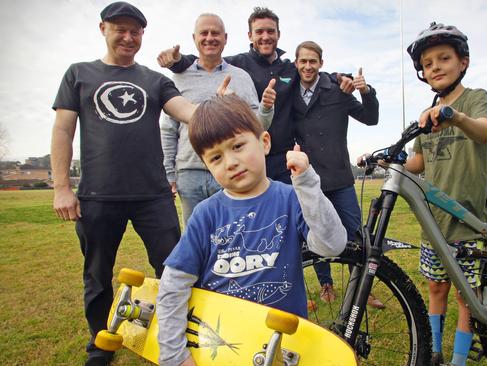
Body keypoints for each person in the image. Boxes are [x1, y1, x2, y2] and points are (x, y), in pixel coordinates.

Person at [50, 2, 203, 365]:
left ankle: (179, 342)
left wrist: (214, 109)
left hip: (153, 196)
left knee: (175, 272)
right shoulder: (79, 74)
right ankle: (100, 346)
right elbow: (62, 130)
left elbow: (185, 110)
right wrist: (61, 187)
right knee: (98, 278)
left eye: (135, 31)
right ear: (103, 28)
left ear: (142, 36)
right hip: (97, 197)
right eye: (120, 29)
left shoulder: (154, 80)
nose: (128, 37)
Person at [156, 95, 347, 366]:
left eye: (238, 146)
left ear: (264, 142)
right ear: (206, 165)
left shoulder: (290, 199)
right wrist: (175, 356)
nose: (231, 162)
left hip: (284, 347)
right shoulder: (206, 214)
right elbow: (174, 286)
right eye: (216, 157)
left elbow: (333, 245)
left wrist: (306, 182)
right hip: (220, 348)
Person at [157, 7, 354, 184]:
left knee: (286, 215)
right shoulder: (237, 65)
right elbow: (207, 58)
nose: (265, 36)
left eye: (271, 31)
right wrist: (178, 61)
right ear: (250, 35)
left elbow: (313, 72)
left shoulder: (290, 69)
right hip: (248, 156)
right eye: (259, 32)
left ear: (279, 34)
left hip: (283, 157)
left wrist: (341, 78)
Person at [403, 22, 487, 366]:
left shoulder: (475, 99)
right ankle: (434, 351)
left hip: (469, 219)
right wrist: (388, 156)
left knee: (466, 296)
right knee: (436, 288)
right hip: (435, 222)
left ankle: (457, 360)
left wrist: (455, 117)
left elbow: (484, 131)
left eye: (444, 58)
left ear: (463, 62)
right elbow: (418, 160)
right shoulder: (426, 116)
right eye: (428, 64)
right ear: (422, 73)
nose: (436, 67)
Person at [291, 41, 384, 309]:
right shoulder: (289, 95)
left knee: (355, 234)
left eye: (313, 61)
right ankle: (326, 285)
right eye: (303, 61)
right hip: (311, 180)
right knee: (316, 234)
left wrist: (366, 91)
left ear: (321, 63)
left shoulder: (337, 89)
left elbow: (371, 117)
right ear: (296, 64)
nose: (308, 66)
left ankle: (362, 289)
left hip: (340, 177)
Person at [160, 13, 276, 225]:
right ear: (194, 38)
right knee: (198, 239)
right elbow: (168, 129)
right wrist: (169, 173)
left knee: (236, 235)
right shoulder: (179, 78)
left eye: (216, 33)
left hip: (233, 169)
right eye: (204, 33)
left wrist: (267, 108)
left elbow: (257, 128)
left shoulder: (241, 77)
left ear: (226, 38)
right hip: (190, 174)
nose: (210, 38)